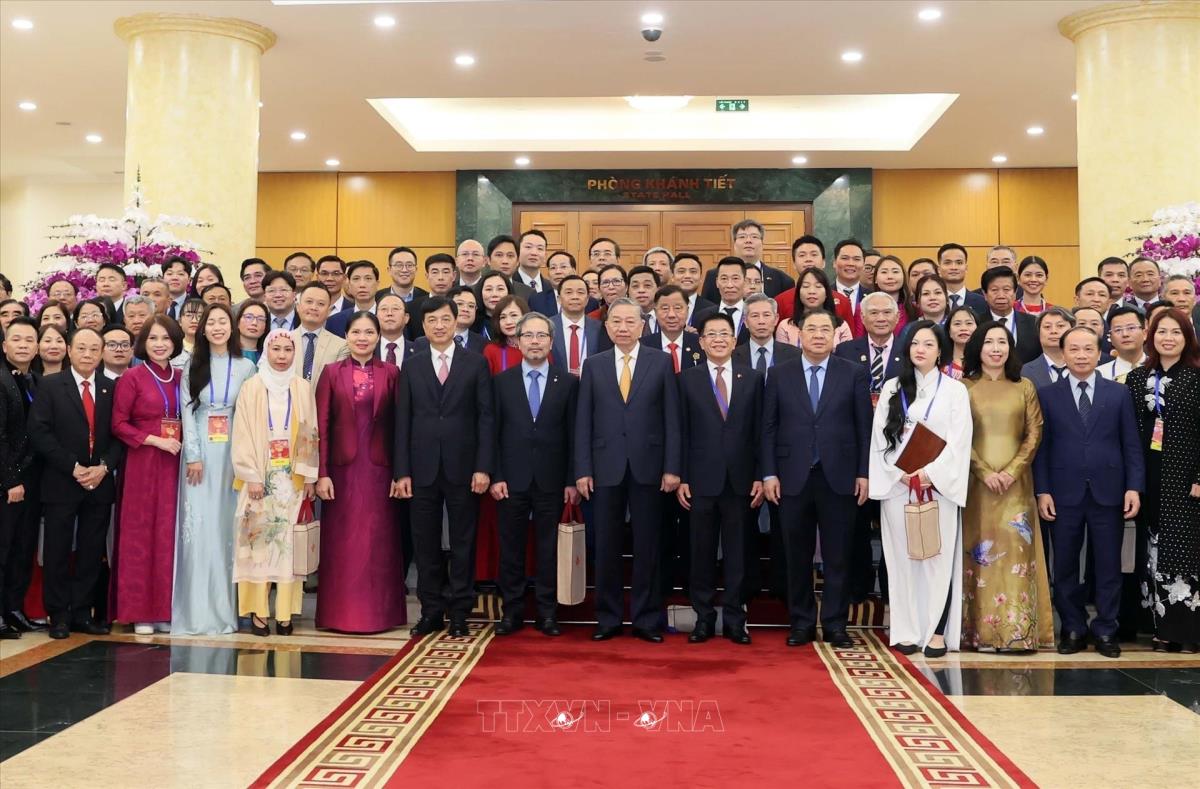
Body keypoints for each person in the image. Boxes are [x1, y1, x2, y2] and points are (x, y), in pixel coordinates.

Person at [762, 309, 870, 649]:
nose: (819, 335)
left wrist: (864, 473)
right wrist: (769, 473)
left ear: (836, 335)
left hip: (839, 477)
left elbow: (864, 428)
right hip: (791, 477)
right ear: (800, 334)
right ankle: (802, 622)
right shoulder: (779, 374)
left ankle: (836, 624)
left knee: (838, 555)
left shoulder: (852, 373)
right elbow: (768, 427)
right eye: (812, 329)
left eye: (826, 329)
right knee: (796, 555)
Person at [575, 298, 681, 642]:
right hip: (604, 467)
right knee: (606, 545)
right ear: (607, 328)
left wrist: (672, 467)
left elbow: (672, 419)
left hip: (649, 467)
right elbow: (583, 421)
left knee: (648, 545)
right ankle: (607, 618)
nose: (622, 328)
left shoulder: (660, 362)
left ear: (642, 326)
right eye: (616, 322)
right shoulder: (594, 364)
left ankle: (646, 619)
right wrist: (583, 469)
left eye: (629, 322)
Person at [1035, 326, 1144, 658]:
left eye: (1087, 349)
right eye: (1074, 349)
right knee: (1065, 565)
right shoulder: (1047, 394)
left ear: (1099, 353)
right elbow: (1041, 448)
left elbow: (1131, 444)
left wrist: (1134, 487)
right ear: (1063, 354)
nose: (1081, 355)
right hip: (1062, 493)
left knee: (1109, 565)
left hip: (1109, 492)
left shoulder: (1119, 393)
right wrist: (1042, 491)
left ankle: (1106, 629)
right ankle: (1073, 627)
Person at [870, 321, 972, 656]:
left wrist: (930, 473)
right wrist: (897, 473)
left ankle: (936, 631)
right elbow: (879, 439)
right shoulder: (892, 387)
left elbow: (960, 441)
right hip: (898, 487)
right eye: (915, 343)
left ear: (940, 350)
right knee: (902, 560)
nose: (920, 349)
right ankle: (906, 630)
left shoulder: (955, 390)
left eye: (928, 344)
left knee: (936, 557)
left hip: (937, 487)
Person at [394, 296, 494, 638]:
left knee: (463, 542)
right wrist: (402, 471)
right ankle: (431, 611)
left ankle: (461, 612)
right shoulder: (412, 365)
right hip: (421, 469)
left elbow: (486, 418)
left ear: (457, 321)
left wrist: (483, 467)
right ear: (422, 326)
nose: (439, 326)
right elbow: (402, 421)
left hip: (464, 468)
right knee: (425, 545)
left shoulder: (475, 363)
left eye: (445, 319)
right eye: (432, 321)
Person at [960, 322, 1054, 651]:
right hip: (976, 485)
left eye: (1002, 342)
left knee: (1016, 552)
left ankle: (1018, 631)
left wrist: (1012, 471)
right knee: (980, 553)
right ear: (978, 348)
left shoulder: (1024, 386)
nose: (996, 348)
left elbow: (1034, 432)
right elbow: (957, 436)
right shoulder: (963, 387)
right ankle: (979, 633)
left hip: (1016, 486)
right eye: (989, 342)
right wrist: (984, 471)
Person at [28, 326, 124, 638]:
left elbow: (120, 434)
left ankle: (82, 612)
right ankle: (58, 615)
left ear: (102, 353)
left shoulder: (111, 388)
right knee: (56, 550)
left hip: (99, 482)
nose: (87, 354)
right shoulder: (50, 385)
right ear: (69, 350)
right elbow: (39, 432)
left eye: (94, 349)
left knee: (91, 551)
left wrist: (104, 467)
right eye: (81, 348)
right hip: (62, 480)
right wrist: (73, 466)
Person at [315, 312, 405, 633]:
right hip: (341, 473)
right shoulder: (331, 373)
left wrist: (400, 473)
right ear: (347, 336)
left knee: (379, 544)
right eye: (356, 332)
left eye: (369, 332)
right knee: (342, 546)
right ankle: (338, 615)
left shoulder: (391, 373)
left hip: (381, 472)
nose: (362, 338)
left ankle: (381, 615)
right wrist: (322, 473)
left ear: (378, 337)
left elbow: (400, 427)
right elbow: (322, 426)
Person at [490, 312, 578, 637]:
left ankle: (547, 613)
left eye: (542, 336)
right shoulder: (501, 382)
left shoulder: (568, 383)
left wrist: (571, 480)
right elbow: (492, 433)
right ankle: (512, 613)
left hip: (552, 480)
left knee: (548, 549)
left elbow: (574, 435)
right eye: (528, 335)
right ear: (517, 341)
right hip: (510, 480)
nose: (535, 342)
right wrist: (496, 475)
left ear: (552, 342)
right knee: (511, 549)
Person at [678, 312, 762, 645]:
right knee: (700, 552)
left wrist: (760, 475)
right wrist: (682, 476)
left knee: (737, 553)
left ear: (734, 340)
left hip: (741, 480)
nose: (718, 340)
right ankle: (703, 618)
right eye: (711, 334)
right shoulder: (687, 379)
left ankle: (735, 619)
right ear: (701, 342)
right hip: (699, 481)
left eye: (724, 334)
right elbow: (680, 431)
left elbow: (760, 432)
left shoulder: (752, 378)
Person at [173, 304, 256, 635]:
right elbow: (186, 411)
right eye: (212, 322)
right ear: (202, 329)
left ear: (232, 327)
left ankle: (228, 611)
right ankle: (196, 611)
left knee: (227, 528)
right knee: (200, 528)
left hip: (234, 452)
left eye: (224, 321)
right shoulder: (191, 365)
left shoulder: (246, 367)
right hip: (201, 454)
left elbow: (250, 415)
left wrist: (247, 461)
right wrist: (193, 455)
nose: (218, 327)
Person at [232, 330, 318, 636]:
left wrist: (308, 476)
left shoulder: (302, 387)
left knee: (287, 548)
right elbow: (241, 433)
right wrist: (251, 476)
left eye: (287, 350)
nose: (282, 356)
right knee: (257, 544)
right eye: (276, 349)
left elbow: (310, 431)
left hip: (291, 481)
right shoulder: (252, 387)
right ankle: (258, 612)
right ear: (266, 351)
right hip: (259, 478)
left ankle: (284, 614)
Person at [1125, 309, 1200, 652]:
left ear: (1187, 338)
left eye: (1176, 332)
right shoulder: (1136, 378)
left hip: (1185, 477)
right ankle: (1160, 627)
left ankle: (1186, 631)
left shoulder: (1196, 377)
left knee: (1183, 551)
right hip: (1147, 475)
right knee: (1151, 549)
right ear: (1150, 336)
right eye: (1161, 332)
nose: (1168, 338)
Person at [111, 315, 186, 634]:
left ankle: (164, 610)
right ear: (143, 343)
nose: (159, 344)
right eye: (153, 338)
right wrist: (155, 440)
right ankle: (139, 611)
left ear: (175, 342)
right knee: (140, 534)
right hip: (143, 464)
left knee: (169, 534)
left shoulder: (182, 377)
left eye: (166, 338)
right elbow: (118, 424)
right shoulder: (132, 377)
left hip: (175, 464)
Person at [0, 318, 41, 638]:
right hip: (8, 482)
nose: (24, 345)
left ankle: (13, 608)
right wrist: (10, 480)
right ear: (4, 346)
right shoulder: (1, 380)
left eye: (30, 340)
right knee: (3, 549)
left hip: (32, 480)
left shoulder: (33, 381)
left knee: (22, 548)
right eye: (17, 339)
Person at [836, 292, 905, 404]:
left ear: (897, 317)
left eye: (887, 312)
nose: (881, 318)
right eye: (874, 313)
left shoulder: (909, 350)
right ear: (863, 318)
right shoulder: (845, 351)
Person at [700, 220, 795, 301]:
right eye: (742, 237)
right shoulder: (714, 275)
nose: (748, 241)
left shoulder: (783, 280)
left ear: (762, 243)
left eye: (754, 237)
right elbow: (706, 309)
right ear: (734, 244)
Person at [776, 268, 853, 348]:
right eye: (806, 286)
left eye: (818, 286)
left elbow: (847, 354)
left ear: (827, 293)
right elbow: (782, 354)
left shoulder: (841, 326)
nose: (812, 291)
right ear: (798, 293)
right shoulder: (785, 326)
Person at [291, 283, 349, 385]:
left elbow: (337, 383)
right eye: (309, 302)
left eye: (321, 304)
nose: (314, 307)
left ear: (329, 311)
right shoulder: (283, 339)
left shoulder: (342, 346)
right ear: (298, 306)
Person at [981, 266, 1039, 363]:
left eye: (1006, 289)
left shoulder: (1034, 323)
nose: (1001, 296)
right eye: (994, 290)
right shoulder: (977, 323)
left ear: (1015, 293)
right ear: (985, 294)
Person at [643, 285, 703, 373]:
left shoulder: (701, 344)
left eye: (677, 308)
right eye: (665, 308)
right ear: (655, 312)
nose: (671, 315)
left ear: (687, 311)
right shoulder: (643, 346)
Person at [549, 275, 601, 376]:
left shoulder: (599, 328)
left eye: (580, 292)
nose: (575, 297)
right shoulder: (547, 326)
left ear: (587, 299)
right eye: (569, 292)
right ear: (559, 299)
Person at [852, 255, 909, 339]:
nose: (890, 277)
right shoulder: (862, 307)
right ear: (875, 279)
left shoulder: (915, 309)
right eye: (884, 272)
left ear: (904, 277)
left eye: (895, 272)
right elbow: (858, 340)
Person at [1020, 307, 1076, 388]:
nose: (1053, 331)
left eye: (1060, 326)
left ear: (1073, 330)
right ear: (1038, 333)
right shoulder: (1025, 371)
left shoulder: (1087, 366)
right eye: (1047, 327)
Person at [326, 260, 382, 337]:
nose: (362, 285)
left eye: (368, 278)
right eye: (356, 279)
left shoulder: (389, 318)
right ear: (349, 285)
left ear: (377, 284)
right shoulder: (334, 321)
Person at [937, 243, 988, 316]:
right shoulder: (933, 301)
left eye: (959, 263)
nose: (954, 267)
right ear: (939, 269)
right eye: (947, 263)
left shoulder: (982, 302)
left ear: (966, 268)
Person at [1100, 306, 1148, 382]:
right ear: (1110, 338)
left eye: (1131, 328)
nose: (1125, 334)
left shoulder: (1160, 369)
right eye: (1118, 330)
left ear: (1144, 334)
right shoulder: (1100, 375)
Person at [483, 295, 529, 374]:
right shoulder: (491, 350)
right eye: (503, 317)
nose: (508, 322)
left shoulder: (538, 347)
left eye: (514, 315)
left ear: (525, 317)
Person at [377, 247, 428, 315]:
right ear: (389, 270)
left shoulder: (427, 298)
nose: (404, 270)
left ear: (416, 269)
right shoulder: (377, 298)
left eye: (409, 265)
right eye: (399, 265)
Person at [670, 253, 715, 327]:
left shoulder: (712, 310)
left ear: (701, 277)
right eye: (681, 271)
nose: (687, 276)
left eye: (693, 272)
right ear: (672, 277)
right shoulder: (662, 306)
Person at [376, 293, 415, 367]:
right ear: (376, 317)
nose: (389, 313)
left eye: (395, 309)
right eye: (384, 309)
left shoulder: (417, 350)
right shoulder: (368, 350)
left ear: (406, 318)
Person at [943, 305, 979, 380]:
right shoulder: (940, 365)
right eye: (957, 324)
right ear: (949, 331)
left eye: (969, 323)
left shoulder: (985, 363)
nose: (963, 328)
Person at [476, 271, 513, 339]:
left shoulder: (517, 322)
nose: (494, 294)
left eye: (500, 289)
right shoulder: (473, 323)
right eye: (488, 289)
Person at [627, 266, 662, 331]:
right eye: (635, 286)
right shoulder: (621, 320)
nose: (641, 290)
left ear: (658, 290)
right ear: (628, 291)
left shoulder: (667, 318)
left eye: (647, 285)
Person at [235, 300, 269, 364]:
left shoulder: (268, 356)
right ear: (238, 322)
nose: (254, 323)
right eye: (249, 317)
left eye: (260, 319)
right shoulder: (226, 353)